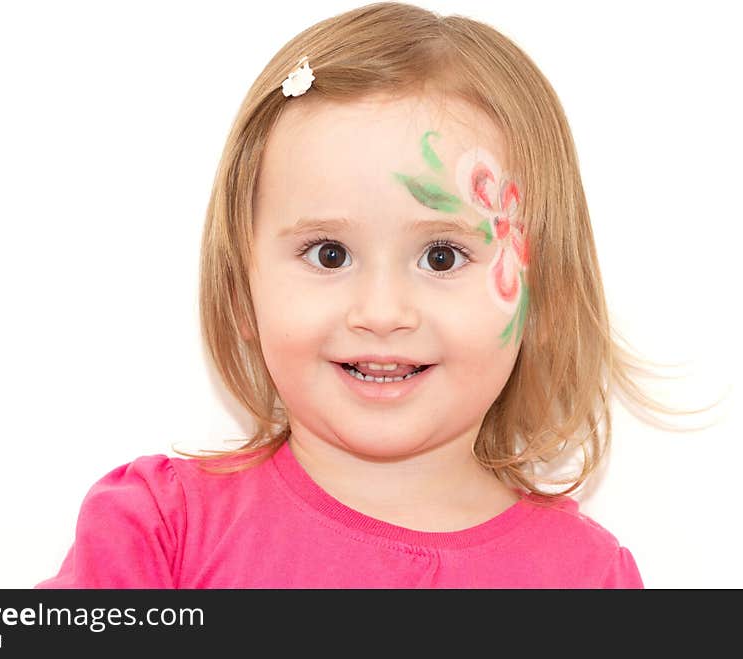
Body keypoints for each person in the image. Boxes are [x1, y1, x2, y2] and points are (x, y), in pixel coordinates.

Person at [36, 1, 701, 589]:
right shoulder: (158, 533)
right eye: (330, 254)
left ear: (543, 297)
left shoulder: (586, 582)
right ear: (242, 292)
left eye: (442, 256)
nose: (381, 312)